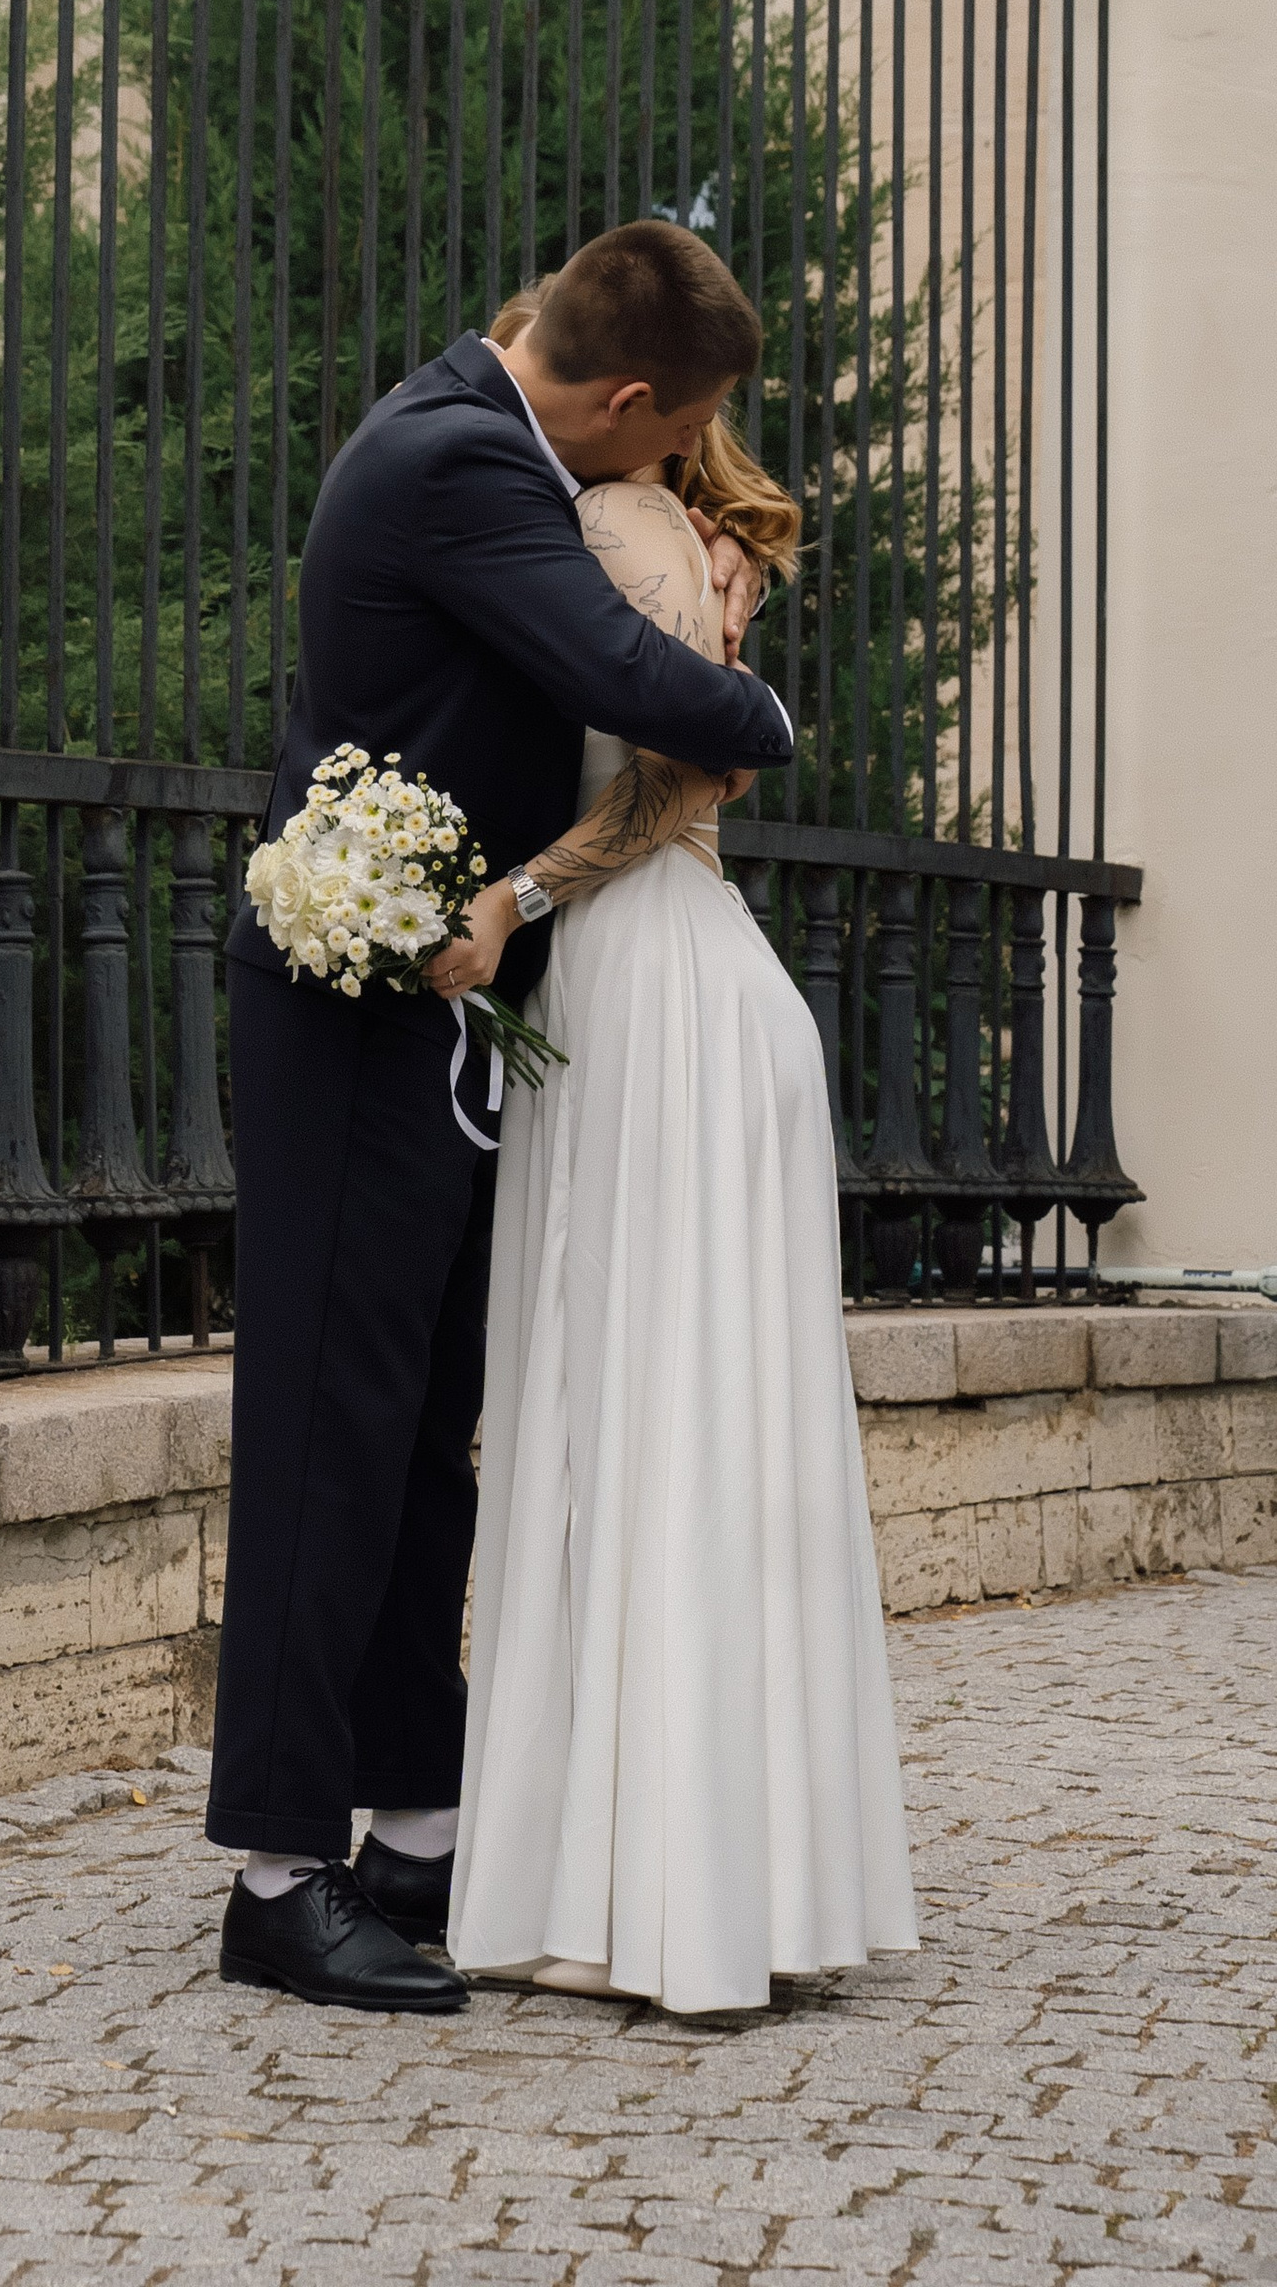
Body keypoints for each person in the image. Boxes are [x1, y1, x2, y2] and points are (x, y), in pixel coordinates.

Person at [209, 222, 796, 2016]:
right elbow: (648, 692)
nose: (675, 460)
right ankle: (273, 1875)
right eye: (673, 429)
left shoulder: (489, 430)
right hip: (348, 1016)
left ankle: (419, 1832)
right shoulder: (461, 456)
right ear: (626, 398)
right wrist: (761, 690)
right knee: (327, 1429)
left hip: (443, 1006)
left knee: (416, 1437)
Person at [428, 299, 917, 2013]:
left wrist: (510, 892)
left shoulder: (614, 523)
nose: (515, 354)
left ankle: (629, 1898)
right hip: (705, 996)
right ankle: (738, 1884)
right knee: (711, 1431)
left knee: (633, 1419)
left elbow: (683, 776)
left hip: (652, 995)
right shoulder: (694, 534)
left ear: (635, 398)